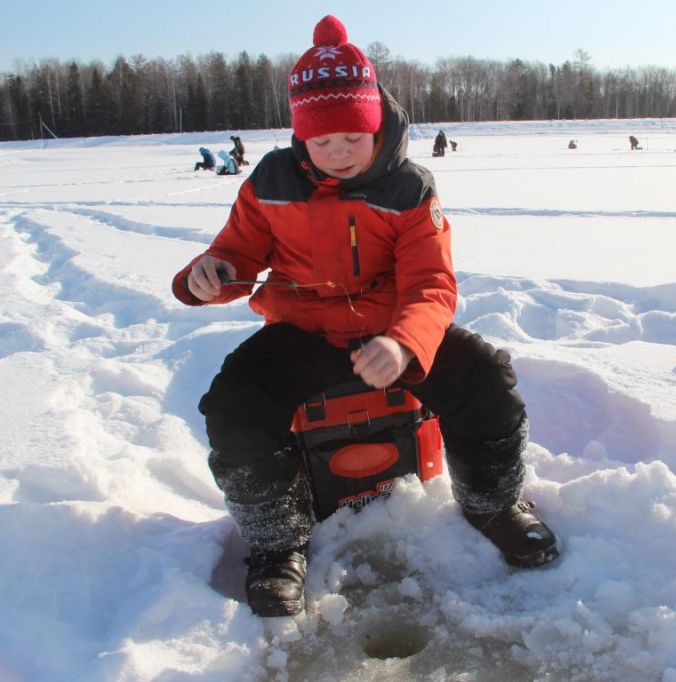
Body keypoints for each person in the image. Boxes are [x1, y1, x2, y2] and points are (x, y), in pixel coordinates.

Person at [172, 15, 559, 618]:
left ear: (374, 121)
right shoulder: (270, 181)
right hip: (303, 331)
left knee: (484, 377)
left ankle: (493, 504)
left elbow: (432, 283)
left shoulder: (410, 189)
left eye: (351, 137)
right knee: (235, 404)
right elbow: (237, 253)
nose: (338, 154)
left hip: (393, 331)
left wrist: (405, 343)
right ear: (302, 137)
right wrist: (208, 273)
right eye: (322, 142)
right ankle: (277, 546)